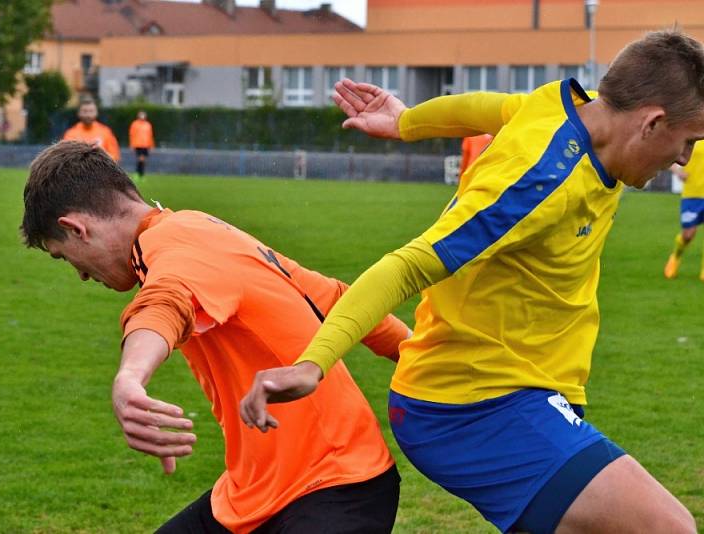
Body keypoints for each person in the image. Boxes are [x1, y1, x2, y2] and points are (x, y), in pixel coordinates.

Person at [241, 30, 702, 534]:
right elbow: (409, 265)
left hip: (530, 387)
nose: (683, 160)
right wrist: (314, 363)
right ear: (653, 122)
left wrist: (407, 121)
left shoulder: (567, 110)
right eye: (689, 141)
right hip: (472, 405)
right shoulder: (536, 185)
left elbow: (491, 106)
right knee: (668, 528)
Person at [20, 141, 410, 534]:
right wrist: (417, 351)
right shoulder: (196, 229)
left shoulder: (173, 246)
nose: (82, 275)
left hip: (335, 486)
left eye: (64, 257)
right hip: (256, 494)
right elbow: (341, 301)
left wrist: (130, 376)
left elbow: (164, 303)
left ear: (76, 228)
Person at [664, 140, 704, 280]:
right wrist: (677, 171)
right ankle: (675, 256)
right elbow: (668, 155)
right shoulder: (693, 135)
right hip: (692, 195)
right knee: (688, 235)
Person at [62, 98, 121, 162]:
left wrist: (100, 155)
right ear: (79, 113)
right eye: (85, 111)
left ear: (96, 112)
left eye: (91, 111)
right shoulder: (70, 133)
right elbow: (66, 157)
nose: (88, 115)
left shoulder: (106, 132)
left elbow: (115, 156)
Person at [129, 110, 155, 179]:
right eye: (141, 115)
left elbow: (150, 135)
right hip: (138, 144)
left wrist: (151, 145)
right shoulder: (135, 124)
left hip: (146, 145)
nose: (142, 116)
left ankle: (140, 174)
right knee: (141, 159)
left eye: (143, 115)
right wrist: (131, 144)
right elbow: (132, 134)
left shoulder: (148, 125)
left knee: (143, 160)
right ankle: (139, 174)